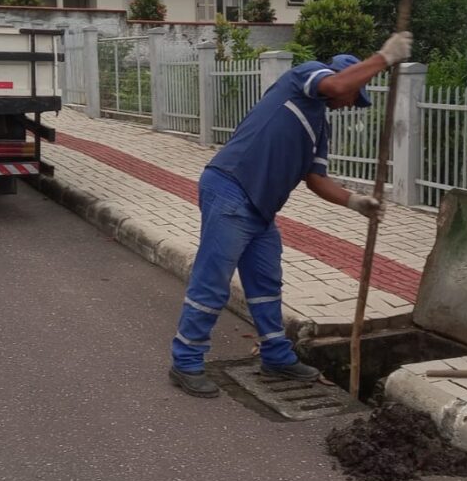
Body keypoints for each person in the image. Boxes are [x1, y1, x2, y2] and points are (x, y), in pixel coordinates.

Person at [168, 33, 413, 397]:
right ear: (342, 79)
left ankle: (276, 356)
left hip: (260, 208)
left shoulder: (319, 127)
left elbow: (315, 179)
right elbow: (338, 83)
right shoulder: (304, 77)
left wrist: (355, 202)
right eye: (353, 95)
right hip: (231, 186)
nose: (350, 104)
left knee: (267, 283)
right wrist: (385, 57)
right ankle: (186, 360)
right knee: (212, 281)